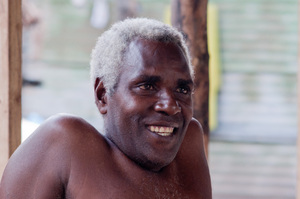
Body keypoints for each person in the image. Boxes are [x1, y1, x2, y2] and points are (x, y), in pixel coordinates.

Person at [0, 18, 212, 198]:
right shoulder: (64, 145)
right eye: (146, 86)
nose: (171, 106)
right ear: (103, 95)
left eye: (183, 90)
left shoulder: (188, 142)